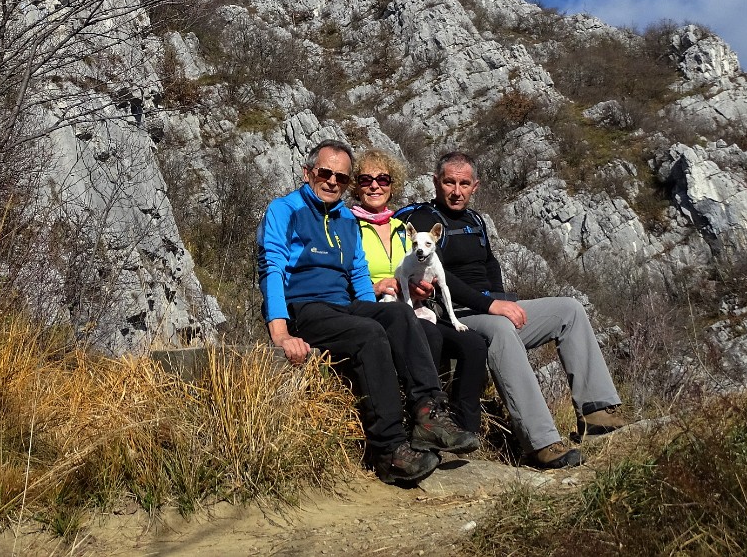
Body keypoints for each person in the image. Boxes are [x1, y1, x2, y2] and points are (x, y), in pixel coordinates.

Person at [257, 140, 479, 485]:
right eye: (325, 173)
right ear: (308, 172)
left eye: (342, 178)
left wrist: (375, 312)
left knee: (399, 316)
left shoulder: (346, 217)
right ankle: (389, 451)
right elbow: (271, 267)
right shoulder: (284, 210)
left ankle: (427, 415)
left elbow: (359, 274)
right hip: (305, 307)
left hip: (343, 305)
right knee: (369, 334)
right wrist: (281, 332)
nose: (333, 182)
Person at [396, 151, 629, 469]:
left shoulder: (475, 220)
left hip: (491, 307)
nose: (456, 191)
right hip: (456, 316)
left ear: (475, 186)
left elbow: (489, 264)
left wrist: (502, 299)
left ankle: (597, 412)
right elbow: (439, 275)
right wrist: (492, 306)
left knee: (569, 310)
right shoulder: (422, 219)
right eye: (449, 182)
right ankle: (542, 442)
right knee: (502, 330)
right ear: (436, 182)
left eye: (464, 184)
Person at [348, 148, 489, 435]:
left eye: (383, 179)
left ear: (392, 185)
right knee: (430, 335)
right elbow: (341, 277)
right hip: (375, 307)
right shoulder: (348, 226)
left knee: (473, 345)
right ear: (356, 186)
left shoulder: (404, 228)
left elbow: (422, 266)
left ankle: (465, 431)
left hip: (412, 306)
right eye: (365, 180)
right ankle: (425, 422)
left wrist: (421, 288)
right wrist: (374, 288)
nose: (375, 185)